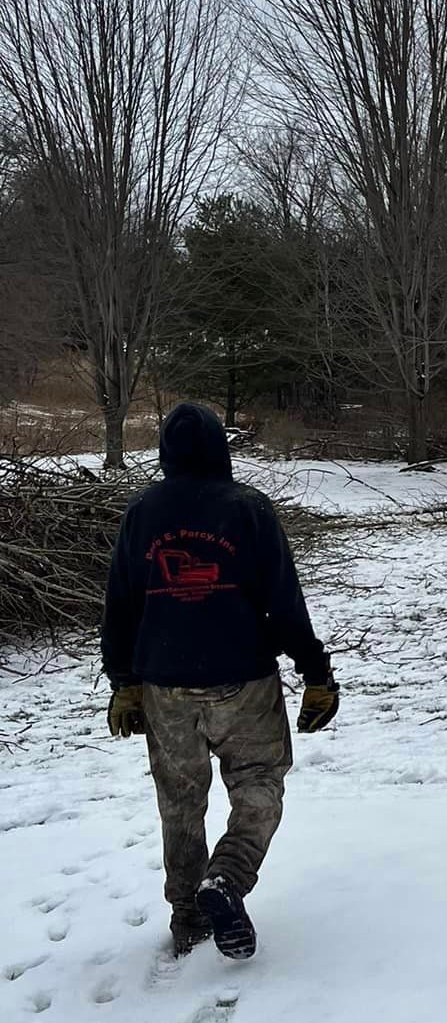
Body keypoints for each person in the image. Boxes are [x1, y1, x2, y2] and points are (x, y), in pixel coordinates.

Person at [100, 402, 340, 961]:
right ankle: (227, 878)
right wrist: (316, 673)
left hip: (165, 686)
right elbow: (285, 602)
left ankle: (188, 916)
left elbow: (120, 605)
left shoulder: (141, 513)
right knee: (260, 783)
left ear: (167, 453)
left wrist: (124, 682)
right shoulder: (248, 509)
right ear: (218, 449)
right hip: (244, 680)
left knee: (179, 802)